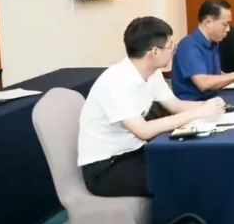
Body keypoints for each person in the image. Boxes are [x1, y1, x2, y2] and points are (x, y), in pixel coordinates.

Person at [78, 17, 226, 198]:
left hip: (136, 151)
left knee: (195, 160)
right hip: (106, 167)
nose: (174, 51)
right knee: (182, 177)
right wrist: (199, 113)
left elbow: (175, 105)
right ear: (155, 51)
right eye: (171, 46)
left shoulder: (152, 73)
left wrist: (209, 105)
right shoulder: (115, 82)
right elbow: (143, 131)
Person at [172, 0, 234, 101]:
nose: (228, 29)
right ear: (208, 22)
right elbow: (203, 83)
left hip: (214, 98)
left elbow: (215, 74)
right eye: (225, 24)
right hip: (194, 105)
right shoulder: (188, 46)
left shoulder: (213, 43)